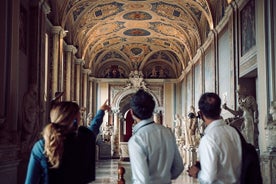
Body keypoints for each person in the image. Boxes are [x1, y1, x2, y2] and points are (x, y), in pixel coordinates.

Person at [25, 100, 111, 184]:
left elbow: (30, 181)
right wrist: (101, 111)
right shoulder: (83, 139)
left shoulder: (41, 146)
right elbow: (93, 128)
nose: (81, 118)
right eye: (79, 116)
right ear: (75, 120)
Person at [128, 89, 184, 184]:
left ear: (131, 113)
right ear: (152, 110)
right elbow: (179, 167)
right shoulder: (167, 132)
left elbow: (141, 181)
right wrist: (163, 177)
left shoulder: (136, 140)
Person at [188, 92, 242, 183]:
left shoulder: (208, 139)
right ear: (220, 111)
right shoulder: (234, 132)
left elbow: (208, 178)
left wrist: (196, 173)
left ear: (200, 114)